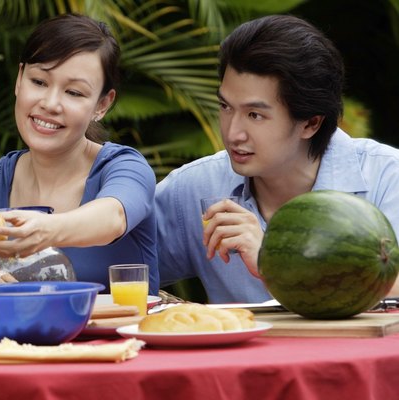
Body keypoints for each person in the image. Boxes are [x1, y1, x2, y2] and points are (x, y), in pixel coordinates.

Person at [155, 15, 399, 303]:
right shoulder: (195, 188)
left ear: (311, 123)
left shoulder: (386, 177)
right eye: (225, 106)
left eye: (255, 115)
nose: (233, 133)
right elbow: (109, 273)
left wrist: (275, 265)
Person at [0, 13, 159, 294]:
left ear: (102, 105)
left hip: (124, 338)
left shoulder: (124, 167)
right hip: (18, 339)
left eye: (74, 92)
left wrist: (44, 231)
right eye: (39, 82)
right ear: (19, 79)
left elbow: (113, 217)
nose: (50, 103)